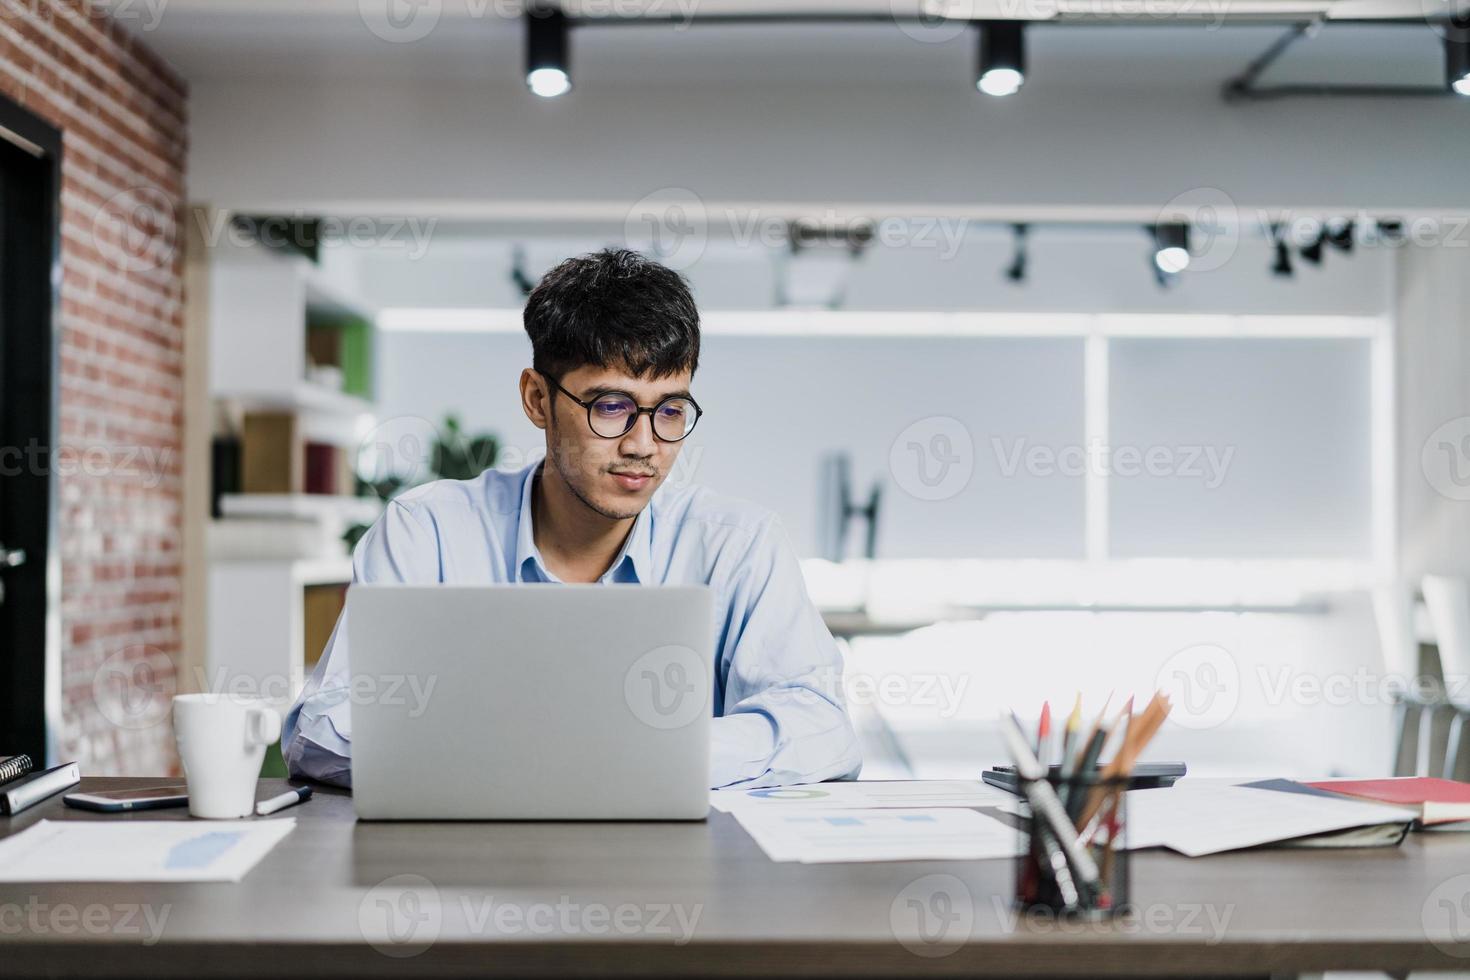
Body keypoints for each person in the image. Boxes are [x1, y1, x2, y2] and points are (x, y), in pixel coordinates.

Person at [282, 248, 862, 789]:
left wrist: (643, 755)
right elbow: (321, 727)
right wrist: (536, 761)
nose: (644, 444)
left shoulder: (737, 546)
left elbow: (822, 728)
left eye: (670, 410)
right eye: (611, 407)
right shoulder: (427, 532)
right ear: (538, 399)